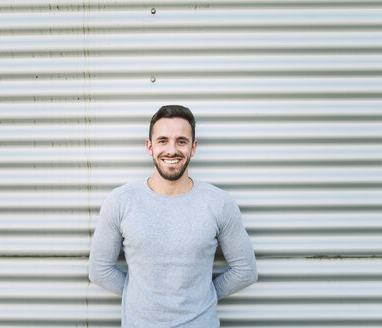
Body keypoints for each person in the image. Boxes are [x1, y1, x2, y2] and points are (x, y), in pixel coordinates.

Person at [88, 105, 258, 327]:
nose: (171, 150)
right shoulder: (120, 201)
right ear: (149, 147)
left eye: (181, 141)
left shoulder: (219, 203)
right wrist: (142, 296)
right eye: (162, 140)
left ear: (193, 147)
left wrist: (200, 295)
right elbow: (99, 270)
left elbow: (245, 271)